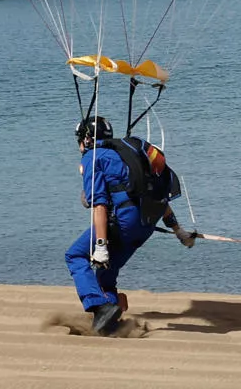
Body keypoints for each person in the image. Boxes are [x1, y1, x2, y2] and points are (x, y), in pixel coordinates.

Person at [64, 115, 195, 335]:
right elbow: (155, 194)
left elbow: (99, 206)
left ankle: (100, 306)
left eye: (80, 138)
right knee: (105, 274)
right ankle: (111, 320)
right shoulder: (128, 153)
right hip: (146, 225)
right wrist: (179, 231)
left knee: (75, 256)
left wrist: (101, 245)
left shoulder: (92, 157)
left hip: (125, 223)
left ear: (87, 139)